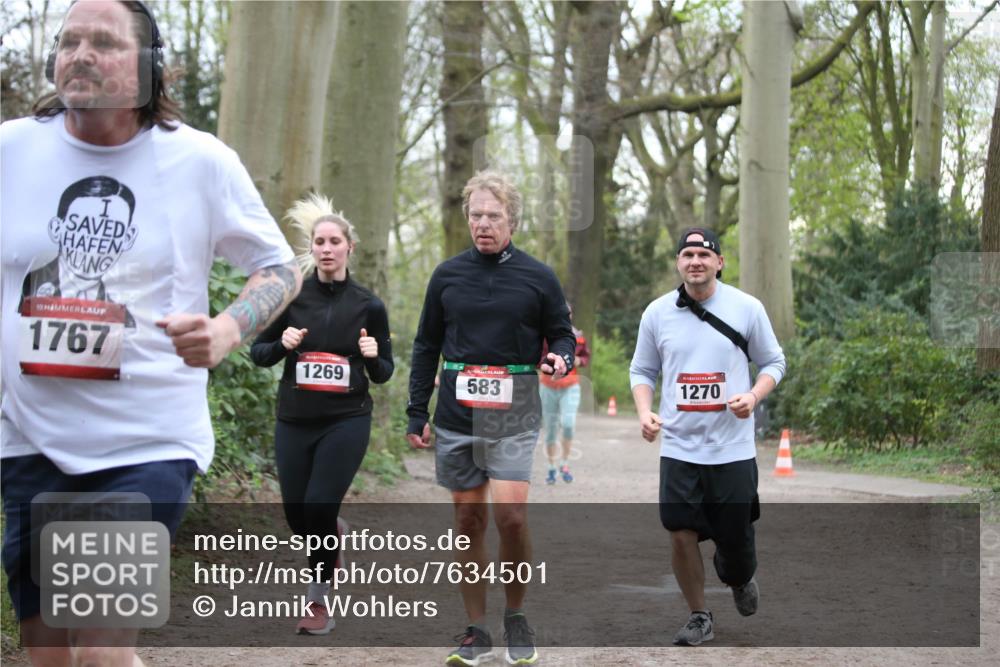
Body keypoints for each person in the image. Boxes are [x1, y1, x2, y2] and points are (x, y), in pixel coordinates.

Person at [0, 2, 300, 665]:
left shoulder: (199, 161)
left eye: (103, 43)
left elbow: (278, 268)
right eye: (69, 41)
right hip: (27, 437)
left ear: (151, 67)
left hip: (146, 440)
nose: (80, 54)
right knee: (51, 658)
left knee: (100, 653)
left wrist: (227, 328)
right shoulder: (11, 150)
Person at [406, 170, 575, 666]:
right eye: (476, 215)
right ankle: (476, 629)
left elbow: (561, 335)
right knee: (467, 520)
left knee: (511, 516)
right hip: (457, 412)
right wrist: (418, 410)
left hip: (515, 409)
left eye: (493, 216)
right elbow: (425, 345)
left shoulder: (538, 276)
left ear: (513, 221)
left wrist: (559, 358)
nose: (483, 223)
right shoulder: (447, 275)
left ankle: (516, 615)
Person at [628, 227, 785, 646]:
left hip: (731, 448)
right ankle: (699, 615)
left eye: (703, 254)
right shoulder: (657, 313)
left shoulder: (746, 308)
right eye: (687, 254)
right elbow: (642, 371)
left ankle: (738, 576)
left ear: (719, 262)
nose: (695, 261)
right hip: (680, 446)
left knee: (734, 544)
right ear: (678, 263)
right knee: (680, 530)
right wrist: (646, 413)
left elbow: (774, 362)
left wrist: (753, 395)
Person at [251, 194, 393, 636]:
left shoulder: (369, 305)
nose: (327, 248)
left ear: (350, 247)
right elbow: (259, 353)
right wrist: (283, 345)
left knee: (318, 504)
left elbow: (385, 371)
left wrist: (371, 357)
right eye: (319, 241)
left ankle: (318, 601)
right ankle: (332, 532)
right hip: (295, 419)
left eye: (335, 241)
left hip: (346, 419)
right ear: (311, 249)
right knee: (299, 516)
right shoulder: (292, 297)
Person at [538, 303, 590, 484]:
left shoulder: (578, 336)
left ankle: (565, 463)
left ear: (571, 315)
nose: (565, 316)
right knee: (551, 429)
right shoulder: (545, 335)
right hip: (548, 386)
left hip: (570, 386)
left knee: (568, 424)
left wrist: (578, 360)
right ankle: (552, 467)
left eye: (568, 314)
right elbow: (538, 356)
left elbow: (585, 357)